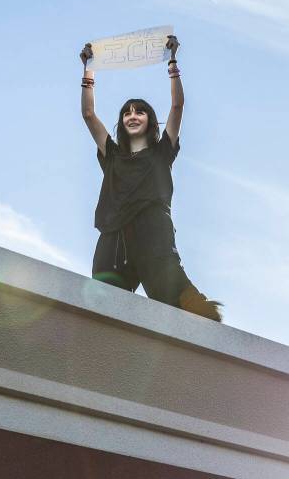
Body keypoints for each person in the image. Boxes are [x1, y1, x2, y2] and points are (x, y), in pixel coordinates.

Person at [79, 35, 222, 321]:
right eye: (127, 112)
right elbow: (89, 113)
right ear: (121, 122)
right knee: (103, 295)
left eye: (140, 111)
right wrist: (88, 70)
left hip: (152, 228)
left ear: (149, 120)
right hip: (115, 232)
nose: (133, 115)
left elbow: (178, 107)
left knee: (169, 286)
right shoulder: (113, 154)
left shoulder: (161, 152)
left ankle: (198, 321)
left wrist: (173, 62)